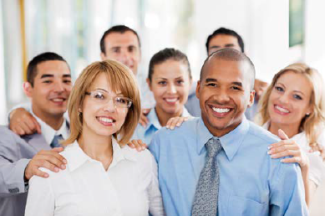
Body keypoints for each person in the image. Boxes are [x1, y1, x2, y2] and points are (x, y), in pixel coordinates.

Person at [149, 48, 308, 215]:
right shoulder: (163, 143)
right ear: (198, 89)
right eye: (212, 84)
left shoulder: (277, 157)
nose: (221, 97)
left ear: (251, 98)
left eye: (235, 88)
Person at [25, 60, 165, 215]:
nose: (111, 108)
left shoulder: (142, 160)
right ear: (79, 103)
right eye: (99, 96)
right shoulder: (48, 173)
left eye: (121, 100)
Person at [9, 25, 155, 135]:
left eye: (131, 49)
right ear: (103, 56)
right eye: (116, 50)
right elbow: (55, 104)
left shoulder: (155, 91)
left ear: (140, 54)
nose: (124, 57)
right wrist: (16, 113)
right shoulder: (88, 89)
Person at [0, 52, 71, 216]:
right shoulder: (7, 135)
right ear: (28, 88)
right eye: (48, 81)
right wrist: (26, 170)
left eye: (66, 80)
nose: (60, 89)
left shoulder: (84, 133)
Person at [256, 63, 325, 206]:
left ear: (310, 108)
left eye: (297, 96)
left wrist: (304, 168)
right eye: (280, 89)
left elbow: (302, 210)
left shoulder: (311, 155)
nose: (283, 100)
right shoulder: (246, 134)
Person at [185, 27, 268, 119]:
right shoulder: (190, 101)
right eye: (215, 51)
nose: (223, 55)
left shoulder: (261, 96)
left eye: (230, 50)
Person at [132, 48, 192, 145]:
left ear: (190, 83)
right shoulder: (131, 130)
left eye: (179, 82)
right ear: (149, 84)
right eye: (162, 82)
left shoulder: (203, 133)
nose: (171, 91)